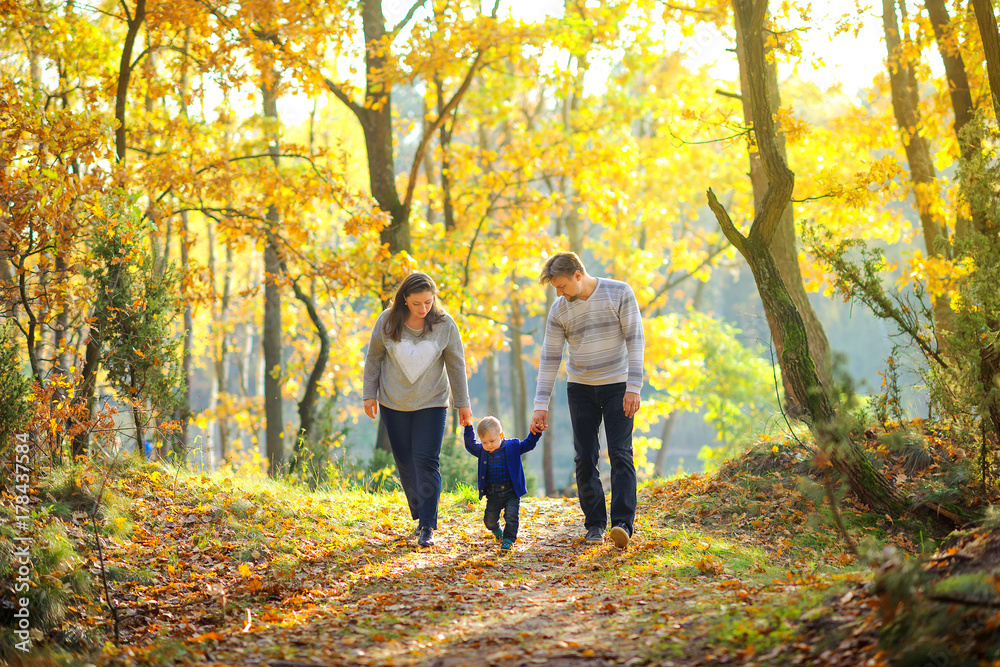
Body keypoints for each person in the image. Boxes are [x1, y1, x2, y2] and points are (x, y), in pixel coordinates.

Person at [530, 251, 645, 550]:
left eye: (562, 285)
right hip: (580, 388)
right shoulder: (559, 310)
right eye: (555, 287)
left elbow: (635, 339)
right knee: (585, 457)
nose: (559, 292)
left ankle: (622, 525)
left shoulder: (619, 292)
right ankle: (594, 524)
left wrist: (634, 386)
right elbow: (550, 358)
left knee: (620, 452)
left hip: (618, 384)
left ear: (578, 276)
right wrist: (540, 405)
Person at [363, 273, 473, 548]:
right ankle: (420, 511)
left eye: (428, 302)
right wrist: (369, 395)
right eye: (416, 303)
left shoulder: (445, 324)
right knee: (405, 461)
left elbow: (456, 364)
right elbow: (374, 357)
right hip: (393, 402)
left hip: (432, 402)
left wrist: (463, 403)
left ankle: (427, 525)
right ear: (404, 300)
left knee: (427, 461)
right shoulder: (387, 321)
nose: (423, 309)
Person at [463, 415, 540, 551]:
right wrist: (468, 426)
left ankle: (508, 539)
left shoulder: (513, 446)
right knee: (489, 521)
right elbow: (470, 445)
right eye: (484, 442)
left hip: (511, 492)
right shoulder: (482, 451)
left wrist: (537, 431)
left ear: (501, 435)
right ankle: (496, 530)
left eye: (492, 441)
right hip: (493, 494)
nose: (489, 445)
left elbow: (529, 444)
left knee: (511, 517)